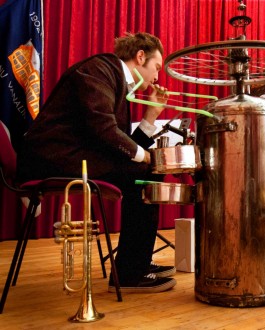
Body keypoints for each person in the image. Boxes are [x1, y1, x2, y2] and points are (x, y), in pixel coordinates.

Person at [17, 32, 176, 293]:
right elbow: (104, 131)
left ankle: (135, 264)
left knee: (145, 171)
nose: (157, 77)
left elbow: (117, 147)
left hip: (70, 155)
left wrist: (150, 115)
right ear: (140, 57)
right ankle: (130, 272)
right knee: (147, 174)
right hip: (52, 158)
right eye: (156, 67)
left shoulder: (114, 79)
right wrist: (146, 157)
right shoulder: (99, 69)